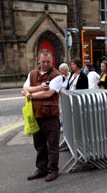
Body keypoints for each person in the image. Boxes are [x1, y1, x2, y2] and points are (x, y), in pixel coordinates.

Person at [21, 49, 64, 182]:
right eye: (43, 61)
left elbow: (49, 93)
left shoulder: (57, 75)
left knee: (52, 145)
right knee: (39, 145)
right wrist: (39, 88)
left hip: (51, 117)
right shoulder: (32, 74)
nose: (45, 64)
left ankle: (53, 170)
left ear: (52, 60)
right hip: (36, 116)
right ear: (38, 60)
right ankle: (42, 168)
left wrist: (30, 95)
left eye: (48, 61)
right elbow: (24, 88)